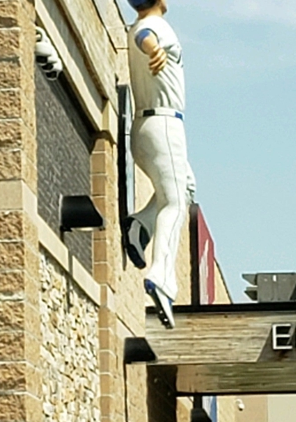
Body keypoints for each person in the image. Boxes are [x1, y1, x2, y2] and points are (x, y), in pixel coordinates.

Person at [124, 0, 196, 329]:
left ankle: (140, 225)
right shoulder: (153, 27)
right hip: (164, 124)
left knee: (187, 187)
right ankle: (162, 279)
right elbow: (146, 36)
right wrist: (154, 49)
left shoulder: (137, 26)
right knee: (175, 202)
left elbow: (141, 34)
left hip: (147, 127)